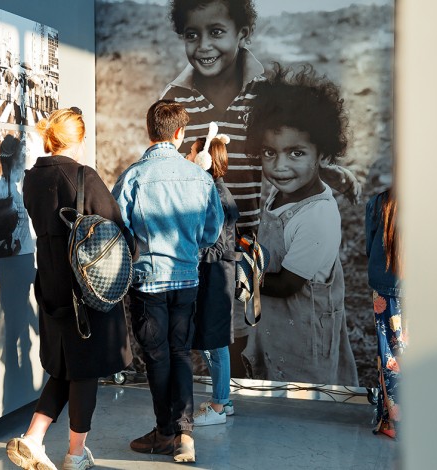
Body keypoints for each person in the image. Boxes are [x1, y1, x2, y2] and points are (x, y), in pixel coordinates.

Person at [162, 0, 362, 377]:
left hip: (252, 234)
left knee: (246, 323)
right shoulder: (174, 99)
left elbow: (291, 143)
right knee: (217, 329)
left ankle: (246, 386)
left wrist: (328, 170)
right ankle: (228, 391)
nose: (204, 46)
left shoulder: (263, 92)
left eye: (216, 32)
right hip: (204, 239)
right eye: (192, 35)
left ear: (242, 33)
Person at [6, 107, 136, 470]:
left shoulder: (32, 180)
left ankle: (33, 438)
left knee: (66, 367)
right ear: (78, 139)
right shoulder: (83, 176)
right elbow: (116, 231)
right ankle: (76, 455)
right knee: (85, 371)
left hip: (51, 285)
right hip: (87, 288)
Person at [112, 100, 224, 463]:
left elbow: (118, 231)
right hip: (187, 279)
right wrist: (188, 246)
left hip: (148, 282)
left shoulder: (133, 177)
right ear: (179, 133)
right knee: (180, 354)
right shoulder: (200, 177)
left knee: (157, 358)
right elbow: (212, 231)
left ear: (150, 131)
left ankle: (164, 433)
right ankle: (184, 434)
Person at [241, 65, 359, 386]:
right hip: (279, 326)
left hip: (305, 339)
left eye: (296, 153)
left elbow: (285, 285)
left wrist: (237, 274)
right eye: (269, 152)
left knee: (303, 395)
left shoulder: (316, 217)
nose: (280, 167)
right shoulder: (285, 192)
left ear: (321, 152)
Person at [186, 131, 238, 426]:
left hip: (216, 277)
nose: (188, 157)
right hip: (215, 275)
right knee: (213, 341)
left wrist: (188, 252)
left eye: (192, 152)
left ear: (205, 159)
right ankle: (224, 400)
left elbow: (217, 247)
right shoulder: (214, 191)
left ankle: (218, 406)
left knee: (215, 343)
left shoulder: (216, 196)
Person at [365, 187, 404, 439]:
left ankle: (393, 421)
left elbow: (370, 248)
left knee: (390, 355)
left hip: (385, 287)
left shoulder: (378, 202)